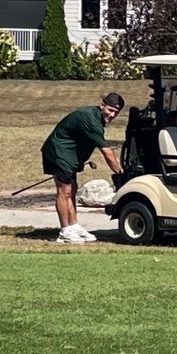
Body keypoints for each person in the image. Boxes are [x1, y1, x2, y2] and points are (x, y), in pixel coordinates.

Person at [41, 92, 125, 243]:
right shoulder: (91, 120)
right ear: (102, 106)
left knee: (72, 190)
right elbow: (107, 152)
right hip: (58, 153)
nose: (112, 115)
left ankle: (74, 226)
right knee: (64, 192)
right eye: (110, 110)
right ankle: (65, 231)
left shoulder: (96, 118)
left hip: (69, 156)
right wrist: (119, 174)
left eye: (116, 112)